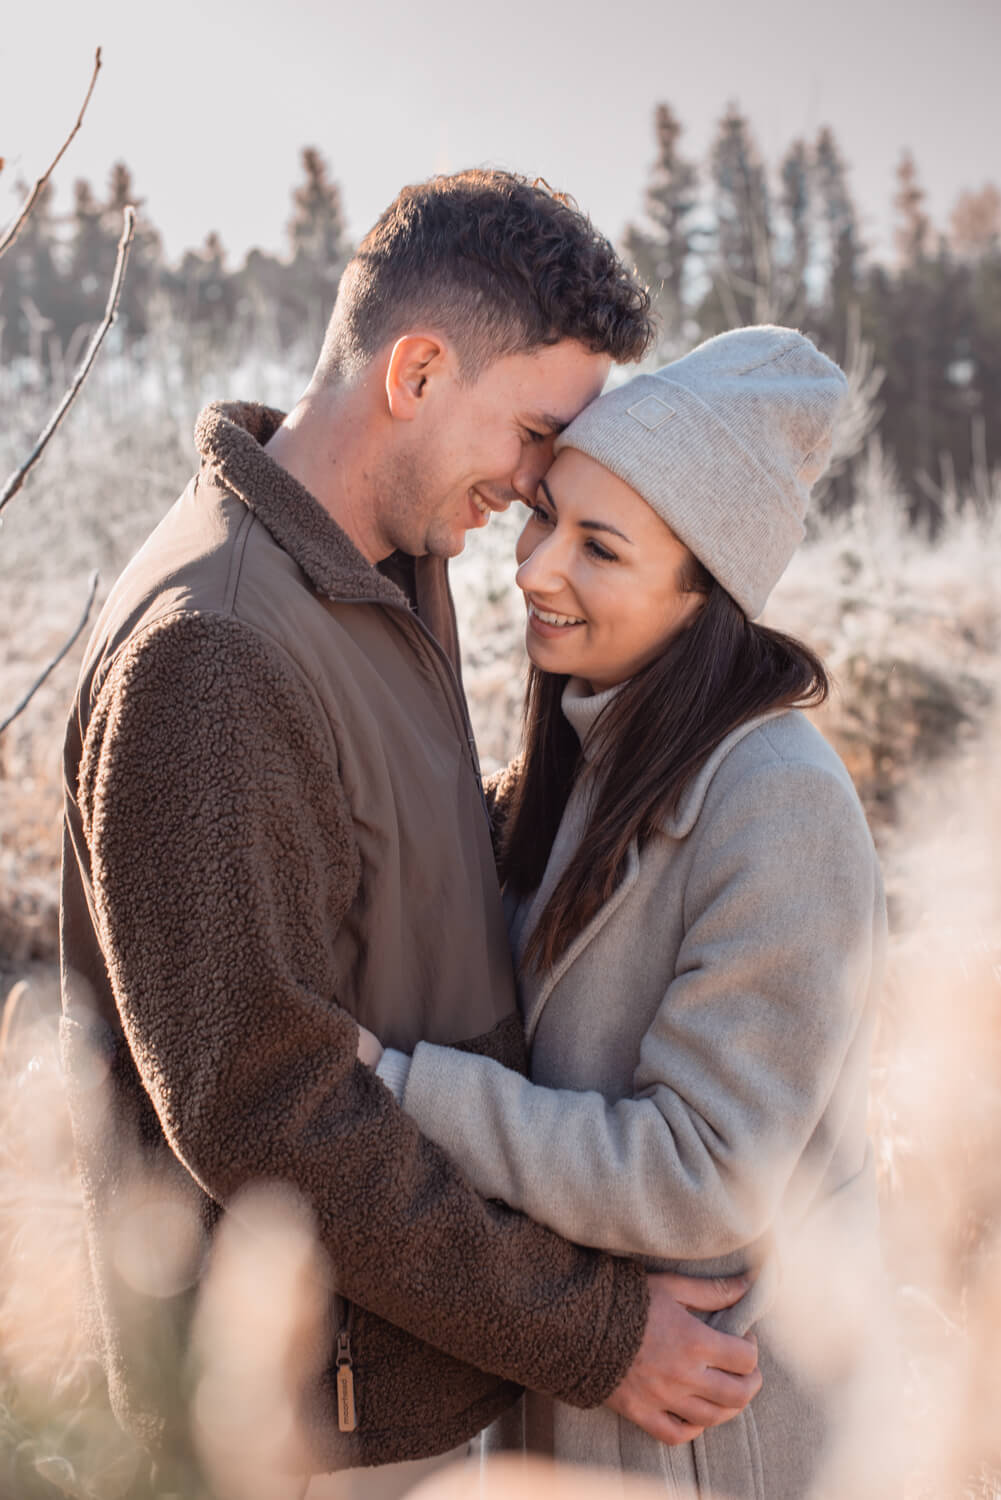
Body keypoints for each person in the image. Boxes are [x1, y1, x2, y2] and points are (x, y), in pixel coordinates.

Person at [59, 171, 762, 1493]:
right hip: (298, 1432)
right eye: (536, 431)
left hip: (400, 1389)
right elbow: (268, 1109)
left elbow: (388, 868)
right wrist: (596, 1336)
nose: (539, 482)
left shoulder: (378, 574)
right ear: (420, 369)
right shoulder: (212, 652)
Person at [363, 326, 887, 1499]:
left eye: (598, 547)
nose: (535, 568)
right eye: (544, 516)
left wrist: (399, 1089)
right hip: (594, 1412)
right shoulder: (587, 759)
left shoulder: (776, 807)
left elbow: (702, 1173)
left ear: (706, 600)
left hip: (720, 1445)